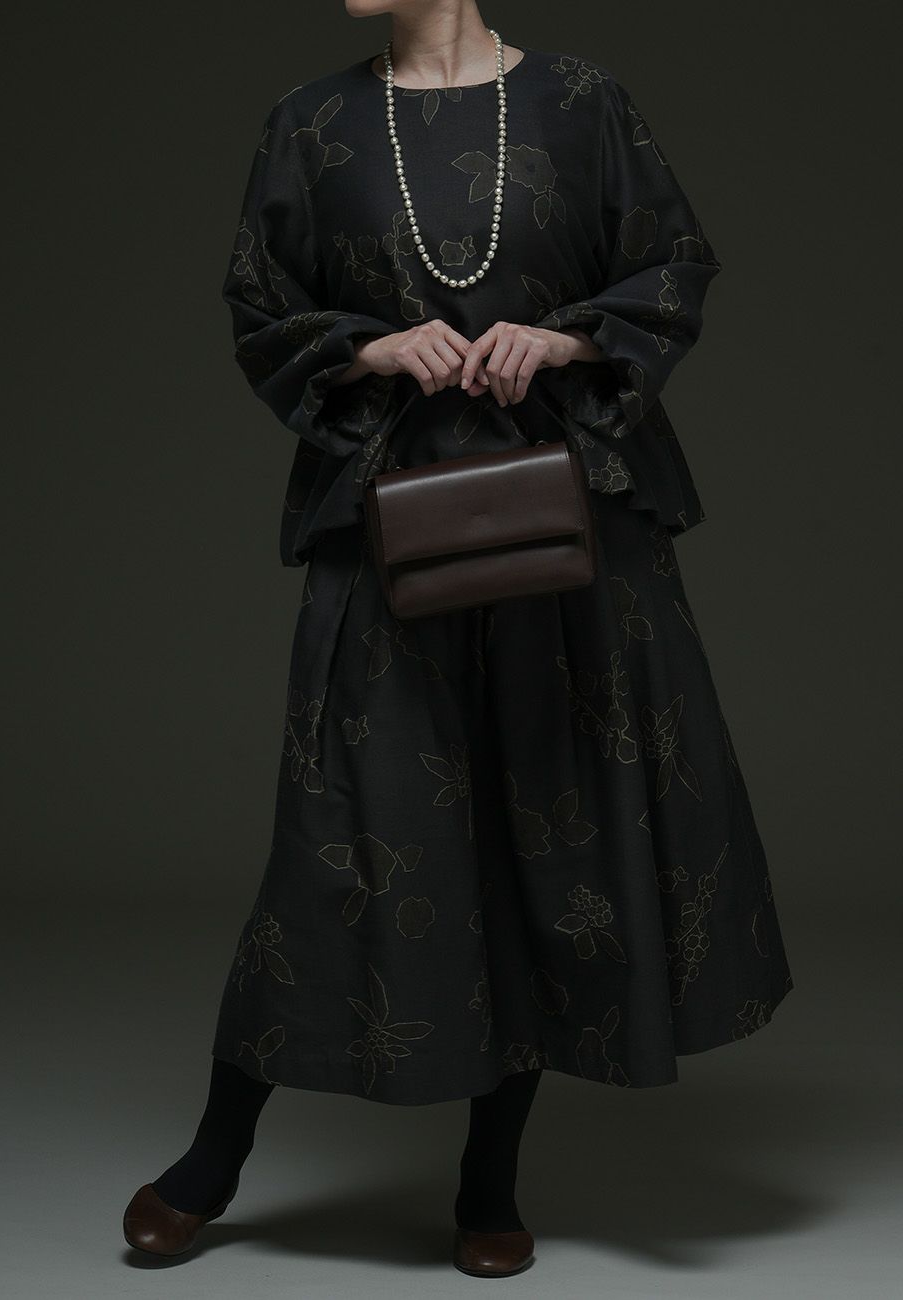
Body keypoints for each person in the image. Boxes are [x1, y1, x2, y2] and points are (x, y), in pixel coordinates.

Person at [124, 1, 794, 1278]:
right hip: (389, 518)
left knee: (544, 829)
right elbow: (260, 306)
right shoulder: (312, 120)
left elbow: (673, 263)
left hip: (567, 522)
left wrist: (567, 335)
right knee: (337, 837)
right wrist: (371, 346)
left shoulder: (582, 101)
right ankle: (213, 1155)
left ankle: (489, 1180)